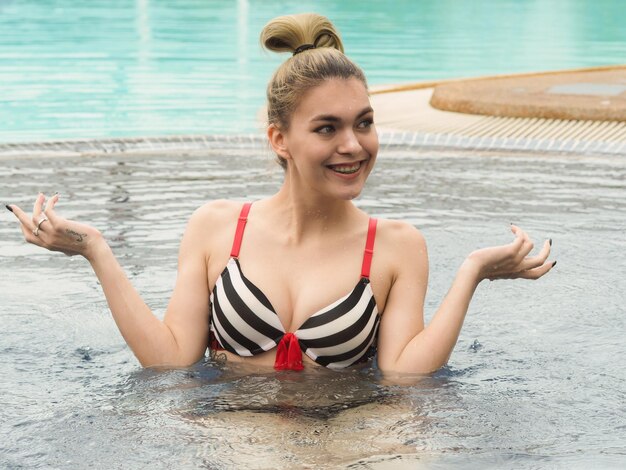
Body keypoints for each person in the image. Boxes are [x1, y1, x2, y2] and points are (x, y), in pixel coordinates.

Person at [6, 13, 555, 374]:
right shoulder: (216, 228)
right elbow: (171, 360)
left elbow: (405, 378)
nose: (353, 145)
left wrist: (472, 274)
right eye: (327, 128)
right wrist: (95, 250)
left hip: (350, 429)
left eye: (363, 123)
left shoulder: (396, 245)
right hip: (234, 428)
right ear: (279, 139)